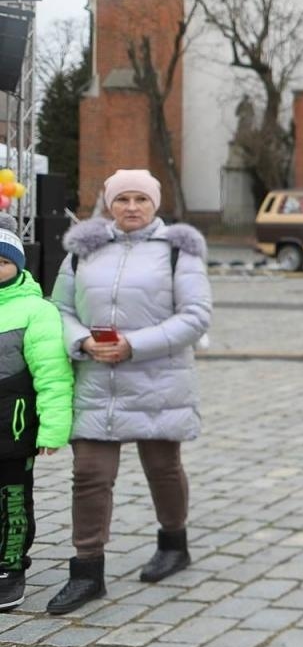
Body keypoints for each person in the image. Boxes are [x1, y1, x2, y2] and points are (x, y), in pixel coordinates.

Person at [48, 169, 211, 615]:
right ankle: (87, 570)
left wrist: (133, 345)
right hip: (97, 379)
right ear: (109, 203)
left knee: (162, 467)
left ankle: (173, 543)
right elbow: (59, 308)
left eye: (141, 199)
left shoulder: (178, 250)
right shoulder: (83, 250)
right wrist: (82, 341)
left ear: (155, 203)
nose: (132, 207)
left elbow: (196, 316)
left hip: (158, 379)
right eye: (123, 199)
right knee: (89, 474)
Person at [0, 213, 74, 611]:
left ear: (17, 264)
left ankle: (10, 567)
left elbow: (53, 376)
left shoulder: (36, 311)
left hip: (11, 431)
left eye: (3, 261)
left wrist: (52, 430)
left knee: (12, 501)